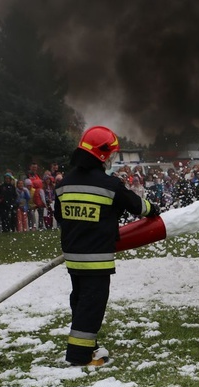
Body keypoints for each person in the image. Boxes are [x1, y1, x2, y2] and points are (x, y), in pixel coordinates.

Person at [54, 126, 160, 367]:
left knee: (80, 302)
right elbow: (137, 206)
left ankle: (87, 347)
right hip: (97, 258)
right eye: (111, 155)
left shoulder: (64, 183)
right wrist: (153, 209)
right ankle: (80, 356)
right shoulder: (109, 185)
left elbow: (60, 217)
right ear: (102, 155)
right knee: (92, 306)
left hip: (73, 257)